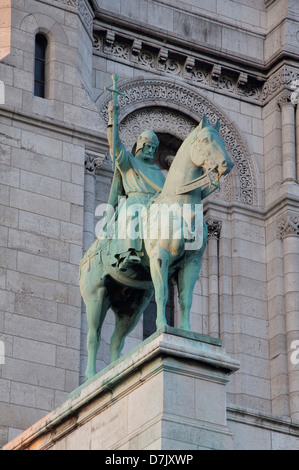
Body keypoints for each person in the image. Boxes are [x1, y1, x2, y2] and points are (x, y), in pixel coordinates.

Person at [106, 101, 166, 271]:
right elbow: (116, 147)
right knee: (133, 211)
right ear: (140, 146)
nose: (151, 152)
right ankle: (130, 252)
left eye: (154, 149)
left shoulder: (157, 170)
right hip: (135, 201)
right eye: (148, 147)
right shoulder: (128, 161)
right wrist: (113, 120)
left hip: (155, 205)